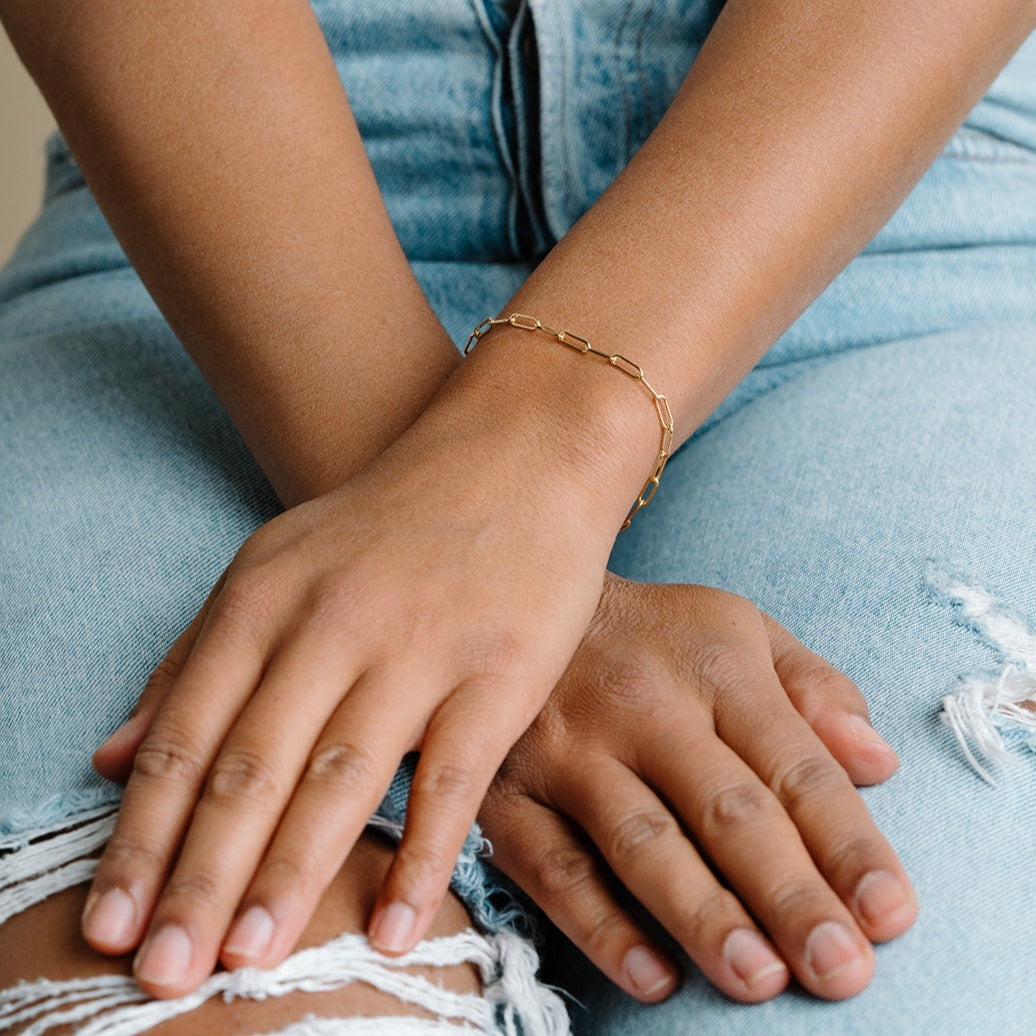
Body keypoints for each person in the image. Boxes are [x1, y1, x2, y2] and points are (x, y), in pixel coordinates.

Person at [1, 0, 1034, 1032]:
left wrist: (535, 469)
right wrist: (480, 546)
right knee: (214, 1000)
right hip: (215, 237)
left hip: (896, 204)